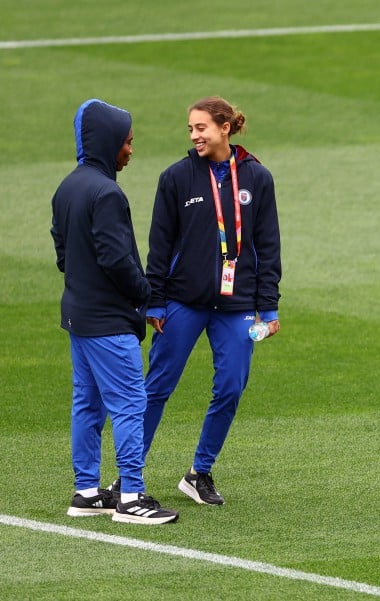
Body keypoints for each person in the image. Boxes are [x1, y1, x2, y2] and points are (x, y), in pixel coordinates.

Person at [142, 96, 282, 505]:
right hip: (183, 302)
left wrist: (268, 307)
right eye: (190, 129)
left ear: (224, 127)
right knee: (157, 388)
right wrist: (155, 301)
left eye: (201, 127)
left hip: (237, 305)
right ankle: (127, 473)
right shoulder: (176, 178)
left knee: (231, 387)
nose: (194, 135)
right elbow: (159, 245)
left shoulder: (257, 178)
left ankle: (199, 472)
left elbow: (268, 246)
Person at [51, 99, 179, 525]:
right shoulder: (107, 192)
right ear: (108, 142)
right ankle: (131, 497)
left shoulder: (68, 186)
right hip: (108, 322)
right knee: (129, 403)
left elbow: (63, 252)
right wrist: (144, 298)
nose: (130, 150)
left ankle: (87, 492)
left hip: (78, 316)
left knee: (87, 404)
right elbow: (116, 258)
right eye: (127, 142)